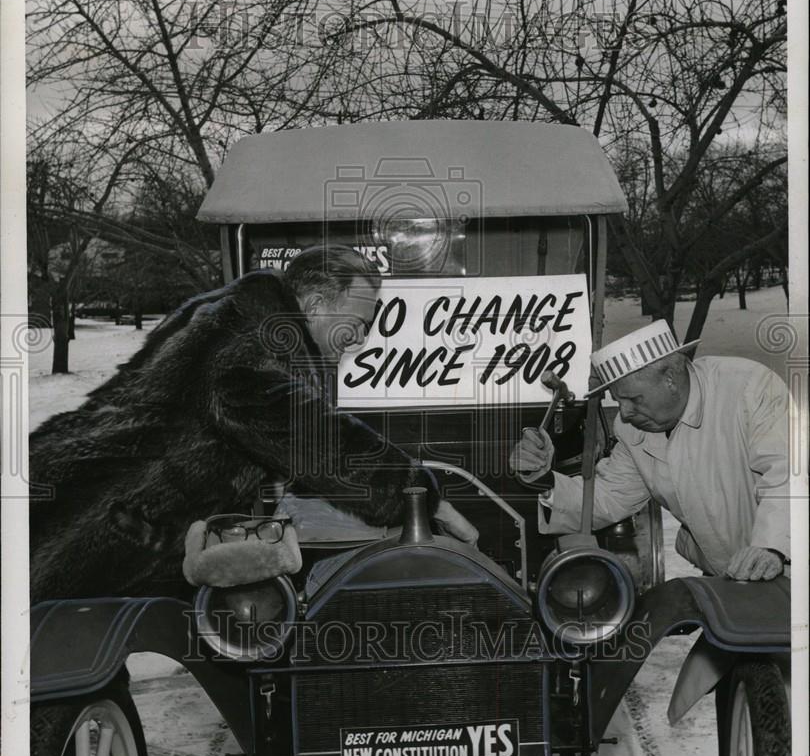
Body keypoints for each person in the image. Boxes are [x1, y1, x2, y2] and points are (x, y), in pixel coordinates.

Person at [30, 245, 471, 602]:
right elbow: (311, 435)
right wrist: (417, 492)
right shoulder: (245, 338)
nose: (359, 340)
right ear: (316, 304)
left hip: (109, 517)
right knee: (61, 679)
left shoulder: (237, 317)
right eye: (357, 324)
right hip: (86, 527)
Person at [509, 320, 790, 581]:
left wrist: (772, 546)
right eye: (618, 401)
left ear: (669, 379)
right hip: (730, 579)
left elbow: (788, 474)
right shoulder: (634, 430)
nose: (625, 412)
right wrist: (544, 478)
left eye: (633, 399)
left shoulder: (749, 388)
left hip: (789, 565)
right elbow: (609, 497)